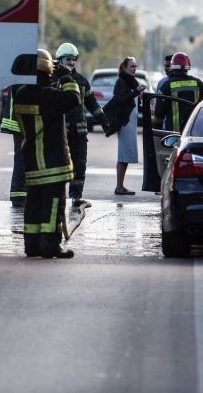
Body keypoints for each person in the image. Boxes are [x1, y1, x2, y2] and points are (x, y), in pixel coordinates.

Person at [14, 49, 82, 258]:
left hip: (33, 163)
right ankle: (51, 246)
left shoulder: (21, 94)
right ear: (48, 69)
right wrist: (67, 77)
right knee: (53, 206)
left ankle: (32, 246)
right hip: (53, 164)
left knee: (33, 205)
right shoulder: (50, 95)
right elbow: (73, 99)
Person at [54, 42, 108, 209]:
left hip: (79, 132)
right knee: (57, 164)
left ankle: (76, 197)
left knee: (79, 165)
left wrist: (105, 123)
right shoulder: (53, 79)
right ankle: (56, 196)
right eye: (68, 59)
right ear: (60, 60)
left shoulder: (82, 81)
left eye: (73, 59)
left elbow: (93, 104)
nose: (71, 62)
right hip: (58, 131)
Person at [109, 56, 147, 196]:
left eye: (135, 66)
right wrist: (136, 92)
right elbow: (119, 100)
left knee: (126, 155)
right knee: (124, 154)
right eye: (132, 66)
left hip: (131, 121)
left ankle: (120, 186)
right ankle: (119, 186)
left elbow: (134, 102)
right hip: (125, 122)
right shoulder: (121, 81)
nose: (134, 69)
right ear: (124, 68)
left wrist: (141, 96)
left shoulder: (132, 81)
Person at [153, 52, 203, 132]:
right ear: (188, 67)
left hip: (173, 135)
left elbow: (158, 114)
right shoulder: (199, 84)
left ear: (172, 67)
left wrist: (157, 130)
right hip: (194, 133)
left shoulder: (166, 86)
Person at [0, 84, 27, 207]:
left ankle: (18, 196)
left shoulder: (19, 76)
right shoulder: (26, 78)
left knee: (21, 159)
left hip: (18, 123)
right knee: (24, 159)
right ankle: (20, 196)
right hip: (23, 124)